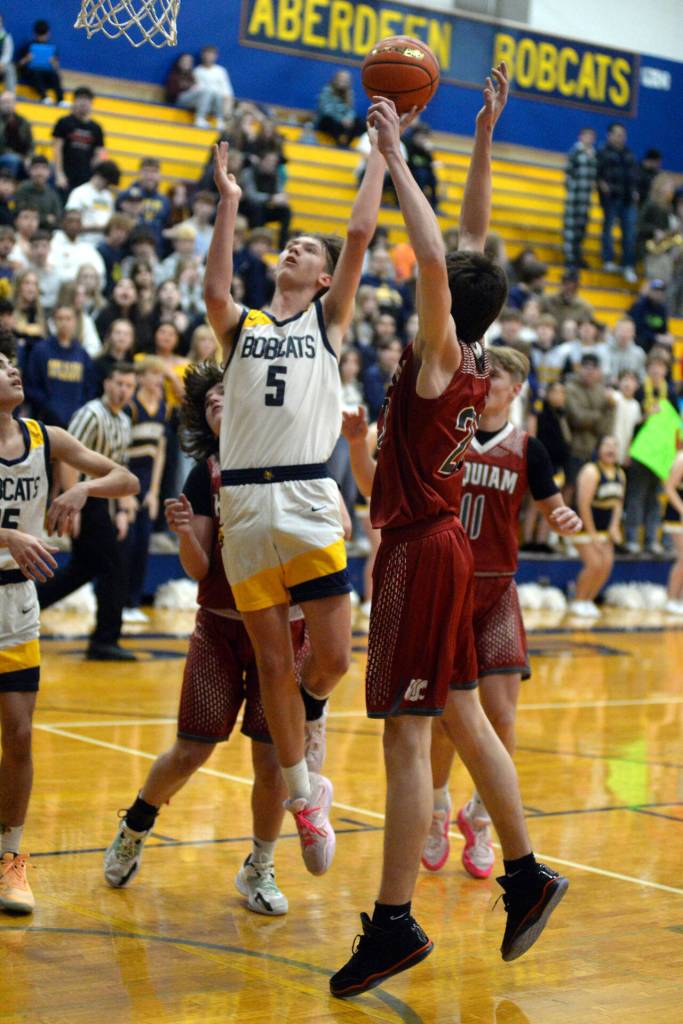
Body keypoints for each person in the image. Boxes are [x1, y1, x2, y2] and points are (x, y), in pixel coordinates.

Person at [330, 66, 568, 999]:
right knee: (461, 718)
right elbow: (463, 247)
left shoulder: (439, 356)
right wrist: (478, 137)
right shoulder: (469, 348)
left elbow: (439, 259)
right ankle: (523, 874)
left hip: (419, 553)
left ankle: (393, 922)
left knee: (403, 735)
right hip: (443, 551)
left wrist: (394, 156)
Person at [204, 114, 394, 878]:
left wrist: (380, 156)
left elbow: (356, 237)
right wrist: (228, 200)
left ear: (320, 279)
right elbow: (215, 286)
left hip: (311, 496)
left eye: (305, 250)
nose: (295, 249)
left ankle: (310, 730)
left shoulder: (329, 318)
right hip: (245, 507)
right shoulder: (242, 325)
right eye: (289, 245)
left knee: (335, 661)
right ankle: (301, 793)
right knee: (272, 664)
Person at [104, 364, 311, 916]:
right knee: (192, 749)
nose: (220, 401)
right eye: (211, 398)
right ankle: (136, 823)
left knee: (271, 763)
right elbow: (198, 569)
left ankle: (260, 866)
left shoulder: (287, 462)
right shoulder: (203, 476)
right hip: (219, 626)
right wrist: (180, 536)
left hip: (284, 629)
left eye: (228, 393)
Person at [420, 347, 581, 878]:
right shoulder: (453, 434)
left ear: (516, 390)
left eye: (499, 376)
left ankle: (480, 816)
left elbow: (549, 505)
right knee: (447, 719)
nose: (486, 381)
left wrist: (562, 518)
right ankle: (438, 804)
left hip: (496, 591)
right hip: (449, 587)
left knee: (503, 715)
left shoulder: (528, 450)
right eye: (484, 373)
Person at [0, 338, 137, 916]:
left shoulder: (44, 437)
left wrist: (82, 488)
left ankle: (10, 859)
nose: (11, 369)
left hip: (15, 604)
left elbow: (125, 478)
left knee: (20, 735)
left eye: (12, 364)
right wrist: (7, 537)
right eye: (0, 365)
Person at [38, 363, 139, 660]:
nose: (123, 389)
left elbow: (119, 468)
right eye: (118, 382)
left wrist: (121, 509)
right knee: (113, 566)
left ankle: (24, 607)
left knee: (84, 568)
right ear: (106, 383)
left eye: (129, 385)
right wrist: (73, 505)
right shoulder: (90, 413)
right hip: (83, 499)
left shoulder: (123, 420)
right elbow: (68, 458)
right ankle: (104, 640)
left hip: (100, 499)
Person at [122, 358, 168, 622]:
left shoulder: (162, 407)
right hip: (129, 478)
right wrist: (126, 491)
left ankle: (134, 601)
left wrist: (154, 491)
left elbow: (160, 452)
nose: (157, 381)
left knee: (143, 544)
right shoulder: (131, 408)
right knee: (127, 543)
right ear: (140, 378)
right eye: (152, 375)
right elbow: (122, 451)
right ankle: (122, 601)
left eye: (160, 376)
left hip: (148, 481)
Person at [570, 435, 625, 617]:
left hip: (604, 529)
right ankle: (578, 600)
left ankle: (588, 600)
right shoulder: (591, 471)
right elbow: (583, 504)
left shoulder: (620, 474)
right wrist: (592, 535)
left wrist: (614, 526)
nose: (611, 449)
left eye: (614, 445)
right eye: (607, 445)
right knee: (594, 563)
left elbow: (618, 503)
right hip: (583, 527)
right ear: (598, 449)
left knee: (607, 564)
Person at [23, 305, 95, 427]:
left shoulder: (82, 354)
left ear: (75, 322)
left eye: (68, 318)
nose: (64, 323)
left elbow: (90, 389)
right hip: (45, 421)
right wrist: (48, 407)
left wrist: (80, 410)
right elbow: (30, 386)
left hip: (76, 422)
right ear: (53, 322)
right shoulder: (40, 350)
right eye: (60, 318)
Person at [597, 123, 639, 283]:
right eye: (617, 134)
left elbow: (634, 175)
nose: (621, 137)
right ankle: (607, 260)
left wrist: (635, 190)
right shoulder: (602, 151)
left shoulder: (629, 153)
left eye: (623, 134)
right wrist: (601, 184)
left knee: (629, 233)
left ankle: (628, 265)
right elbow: (598, 173)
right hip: (611, 198)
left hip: (628, 199)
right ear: (609, 135)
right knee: (608, 229)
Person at [51, 87, 105, 194]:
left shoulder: (96, 128)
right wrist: (59, 174)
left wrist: (95, 176)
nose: (84, 103)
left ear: (91, 103)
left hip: (86, 177)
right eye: (80, 99)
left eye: (87, 100)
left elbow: (100, 154)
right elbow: (57, 149)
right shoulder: (64, 122)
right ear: (74, 101)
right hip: (66, 174)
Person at [240, 152, 291, 251]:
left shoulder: (276, 175)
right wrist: (271, 198)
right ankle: (255, 242)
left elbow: (279, 192)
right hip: (247, 208)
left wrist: (281, 199)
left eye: (274, 162)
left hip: (266, 207)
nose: (271, 164)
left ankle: (282, 245)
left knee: (286, 210)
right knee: (258, 208)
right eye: (269, 161)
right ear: (261, 161)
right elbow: (251, 195)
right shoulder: (249, 172)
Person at [563, 128, 597, 270]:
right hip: (574, 197)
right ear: (581, 136)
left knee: (581, 229)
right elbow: (568, 171)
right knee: (571, 227)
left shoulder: (593, 154)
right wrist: (572, 187)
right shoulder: (575, 151)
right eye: (587, 136)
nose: (589, 139)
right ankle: (570, 258)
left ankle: (578, 256)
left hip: (586, 198)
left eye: (592, 136)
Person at [65, 160, 121, 245]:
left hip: (104, 242)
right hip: (83, 241)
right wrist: (97, 228)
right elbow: (70, 223)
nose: (108, 186)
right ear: (99, 176)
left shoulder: (108, 196)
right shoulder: (79, 193)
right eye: (107, 183)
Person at [15, 20, 64, 105]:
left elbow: (57, 68)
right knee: (36, 74)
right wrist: (26, 59)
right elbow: (17, 65)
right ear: (35, 34)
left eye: (44, 35)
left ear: (48, 34)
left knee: (55, 76)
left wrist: (54, 63)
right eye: (40, 35)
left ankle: (60, 99)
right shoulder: (27, 45)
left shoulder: (51, 48)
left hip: (46, 72)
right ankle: (44, 97)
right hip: (31, 73)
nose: (42, 37)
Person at [314, 71, 365, 147]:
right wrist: (341, 119)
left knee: (359, 123)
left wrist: (349, 118)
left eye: (346, 80)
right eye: (341, 79)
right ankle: (337, 144)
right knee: (329, 120)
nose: (343, 81)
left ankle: (347, 143)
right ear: (335, 79)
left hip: (342, 123)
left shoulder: (349, 93)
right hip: (328, 123)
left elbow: (351, 110)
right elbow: (326, 110)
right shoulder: (327, 91)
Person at [14, 155, 62, 230]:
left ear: (49, 172)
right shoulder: (22, 189)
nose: (39, 172)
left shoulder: (51, 192)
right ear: (29, 171)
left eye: (43, 168)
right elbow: (20, 213)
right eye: (36, 168)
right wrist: (45, 218)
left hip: (47, 233)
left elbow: (57, 216)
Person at [191, 45, 234, 129]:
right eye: (207, 54)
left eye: (211, 54)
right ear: (202, 55)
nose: (208, 57)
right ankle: (200, 118)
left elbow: (227, 90)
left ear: (216, 56)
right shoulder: (197, 71)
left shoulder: (221, 71)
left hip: (219, 101)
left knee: (220, 95)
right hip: (203, 100)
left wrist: (227, 105)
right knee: (210, 91)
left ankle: (219, 120)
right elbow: (199, 89)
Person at [662, 452, 683, 615]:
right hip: (677, 516)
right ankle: (671, 599)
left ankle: (680, 599)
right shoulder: (681, 458)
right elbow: (669, 488)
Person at [0, 92, 33, 179]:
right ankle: (9, 188)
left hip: (21, 157)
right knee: (12, 160)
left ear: (15, 104)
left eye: (9, 102)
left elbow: (31, 144)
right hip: (4, 156)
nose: (6, 105)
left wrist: (29, 157)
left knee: (39, 165)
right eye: (4, 102)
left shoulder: (23, 122)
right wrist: (20, 157)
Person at [0, 14, 16, 92]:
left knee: (10, 68)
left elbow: (7, 53)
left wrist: (1, 63)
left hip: (1, 65)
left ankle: (10, 95)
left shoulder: (6, 37)